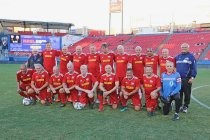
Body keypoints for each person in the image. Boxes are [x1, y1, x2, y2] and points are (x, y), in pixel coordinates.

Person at [175, 43, 197, 113]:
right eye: (183, 47)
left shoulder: (191, 57)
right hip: (178, 79)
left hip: (187, 79)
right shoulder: (178, 56)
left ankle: (185, 106)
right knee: (179, 93)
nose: (184, 48)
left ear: (188, 48)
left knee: (187, 93)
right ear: (181, 48)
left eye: (185, 47)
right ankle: (180, 105)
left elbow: (194, 68)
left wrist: (192, 77)